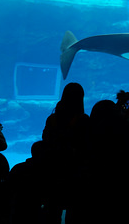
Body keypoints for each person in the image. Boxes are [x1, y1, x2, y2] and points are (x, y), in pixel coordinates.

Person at [40, 82, 91, 224]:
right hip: (74, 170)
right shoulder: (84, 119)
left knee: (52, 207)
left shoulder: (52, 118)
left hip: (53, 168)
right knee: (74, 209)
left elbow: (45, 139)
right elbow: (86, 146)